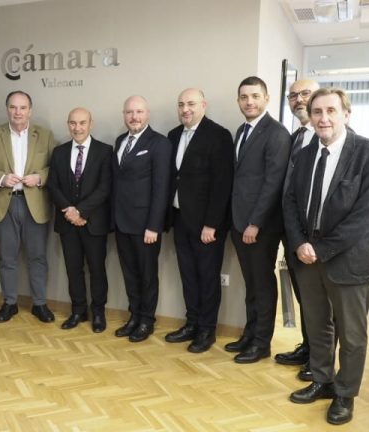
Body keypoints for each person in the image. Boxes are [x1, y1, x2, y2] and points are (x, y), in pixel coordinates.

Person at [284, 87, 369, 425]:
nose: (323, 118)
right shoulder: (304, 154)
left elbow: (365, 214)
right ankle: (323, 380)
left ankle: (345, 394)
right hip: (307, 256)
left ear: (346, 114)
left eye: (331, 111)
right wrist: (299, 243)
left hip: (349, 259)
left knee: (352, 334)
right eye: (317, 112)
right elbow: (290, 202)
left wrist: (321, 248)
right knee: (317, 325)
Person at [0, 91, 57, 323]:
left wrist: (39, 177)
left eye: (22, 107)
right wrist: (1, 178)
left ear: (30, 110)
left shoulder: (45, 135)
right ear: (7, 109)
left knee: (37, 257)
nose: (17, 112)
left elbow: (56, 167)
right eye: (13, 107)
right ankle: (9, 303)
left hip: (35, 205)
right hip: (4, 203)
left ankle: (39, 304)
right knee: (7, 258)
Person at [226, 76, 291, 363]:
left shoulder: (276, 133)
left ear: (266, 99)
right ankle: (250, 334)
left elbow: (273, 183)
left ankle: (262, 343)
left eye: (255, 96)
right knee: (251, 284)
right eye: (244, 97)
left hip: (259, 226)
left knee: (262, 285)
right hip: (239, 222)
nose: (249, 102)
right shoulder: (242, 130)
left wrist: (255, 223)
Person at [164, 89, 233, 353]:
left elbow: (222, 184)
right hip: (180, 219)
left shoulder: (219, 135)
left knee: (207, 277)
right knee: (188, 276)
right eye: (181, 104)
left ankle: (207, 330)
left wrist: (212, 224)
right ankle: (191, 323)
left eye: (191, 104)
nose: (185, 109)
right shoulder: (173, 135)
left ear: (203, 105)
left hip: (207, 224)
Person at [112, 95, 172, 342]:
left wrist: (153, 226)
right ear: (124, 115)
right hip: (121, 221)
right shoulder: (120, 141)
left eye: (138, 112)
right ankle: (134, 316)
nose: (134, 117)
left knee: (147, 275)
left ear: (147, 114)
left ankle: (147, 320)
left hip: (145, 225)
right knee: (129, 273)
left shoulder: (159, 143)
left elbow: (161, 187)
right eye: (129, 112)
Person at [48, 108, 112, 332]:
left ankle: (98, 313)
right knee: (73, 268)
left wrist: (81, 212)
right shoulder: (59, 152)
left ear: (91, 124)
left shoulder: (105, 151)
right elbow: (53, 185)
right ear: (68, 125)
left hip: (94, 223)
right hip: (67, 222)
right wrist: (69, 211)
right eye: (73, 123)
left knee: (97, 269)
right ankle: (78, 311)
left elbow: (105, 187)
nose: (78, 128)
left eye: (82, 123)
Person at [275, 79, 321, 380]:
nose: (298, 100)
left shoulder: (329, 139)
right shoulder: (296, 137)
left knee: (320, 303)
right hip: (293, 234)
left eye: (305, 93)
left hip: (316, 239)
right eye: (293, 96)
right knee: (304, 296)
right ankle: (308, 347)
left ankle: (320, 360)